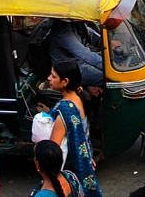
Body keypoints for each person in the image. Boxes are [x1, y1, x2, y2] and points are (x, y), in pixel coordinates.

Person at [48, 60, 103, 197]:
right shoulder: (79, 97)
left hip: (70, 169)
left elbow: (53, 148)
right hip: (85, 163)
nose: (49, 78)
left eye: (53, 76)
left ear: (65, 81)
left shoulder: (65, 109)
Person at [48, 23, 103, 88]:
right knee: (104, 77)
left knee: (112, 57)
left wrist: (109, 43)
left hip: (80, 61)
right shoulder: (62, 32)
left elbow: (91, 34)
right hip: (71, 69)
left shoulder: (77, 24)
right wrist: (107, 66)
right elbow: (85, 54)